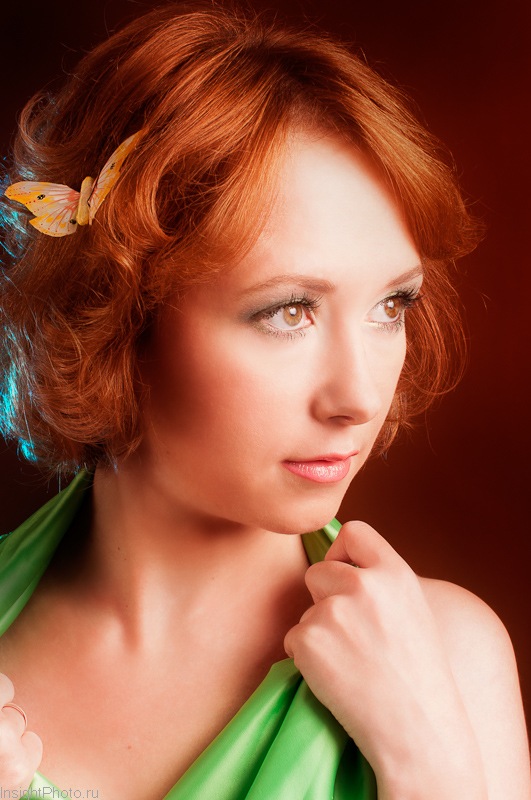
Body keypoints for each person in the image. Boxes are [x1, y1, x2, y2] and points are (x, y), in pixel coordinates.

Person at [0, 4, 529, 799]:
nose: (358, 397)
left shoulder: (446, 661)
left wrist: (426, 761)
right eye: (287, 312)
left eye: (390, 306)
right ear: (117, 317)